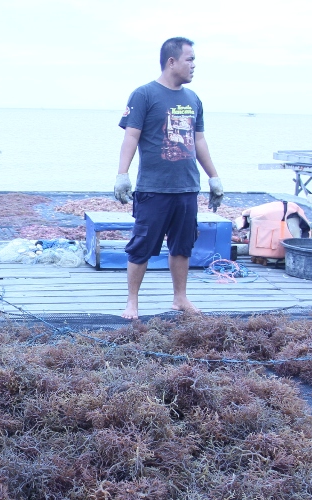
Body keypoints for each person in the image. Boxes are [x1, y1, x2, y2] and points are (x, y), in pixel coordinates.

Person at [114, 37, 224, 319]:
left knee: (183, 245)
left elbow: (199, 141)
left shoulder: (193, 99)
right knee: (141, 246)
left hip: (187, 188)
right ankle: (132, 302)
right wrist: (122, 174)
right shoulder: (144, 94)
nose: (194, 65)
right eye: (190, 59)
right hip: (154, 188)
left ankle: (180, 298)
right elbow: (131, 136)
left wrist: (214, 177)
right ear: (171, 61)